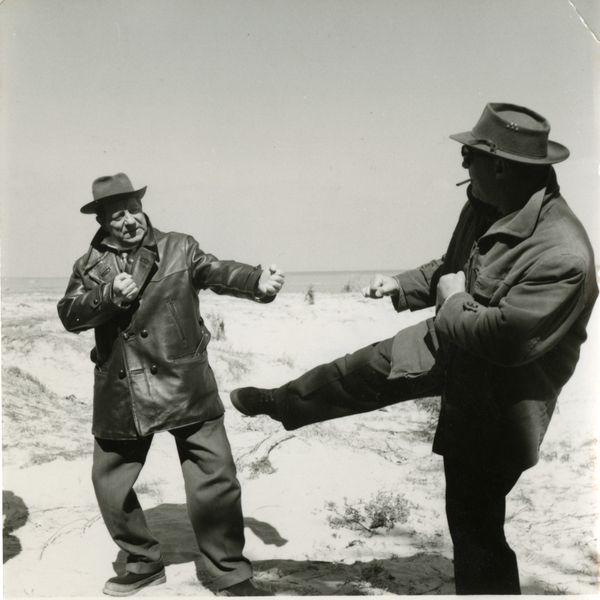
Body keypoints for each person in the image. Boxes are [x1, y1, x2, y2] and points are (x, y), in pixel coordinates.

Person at [230, 103, 598, 595]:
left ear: (502, 165)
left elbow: (504, 340)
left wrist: (451, 302)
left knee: (473, 522)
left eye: (468, 155)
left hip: (502, 397)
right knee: (360, 369)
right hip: (452, 342)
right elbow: (455, 266)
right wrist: (402, 286)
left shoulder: (563, 253)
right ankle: (282, 403)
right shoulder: (486, 202)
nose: (463, 165)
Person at [57, 173, 284, 597]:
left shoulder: (179, 246)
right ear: (103, 221)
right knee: (109, 485)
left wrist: (257, 282)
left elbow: (217, 271)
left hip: (185, 380)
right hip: (122, 391)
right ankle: (143, 562)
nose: (129, 221)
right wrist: (106, 295)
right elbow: (69, 314)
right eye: (117, 214)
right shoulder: (88, 266)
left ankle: (230, 571)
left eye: (134, 210)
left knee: (215, 478)